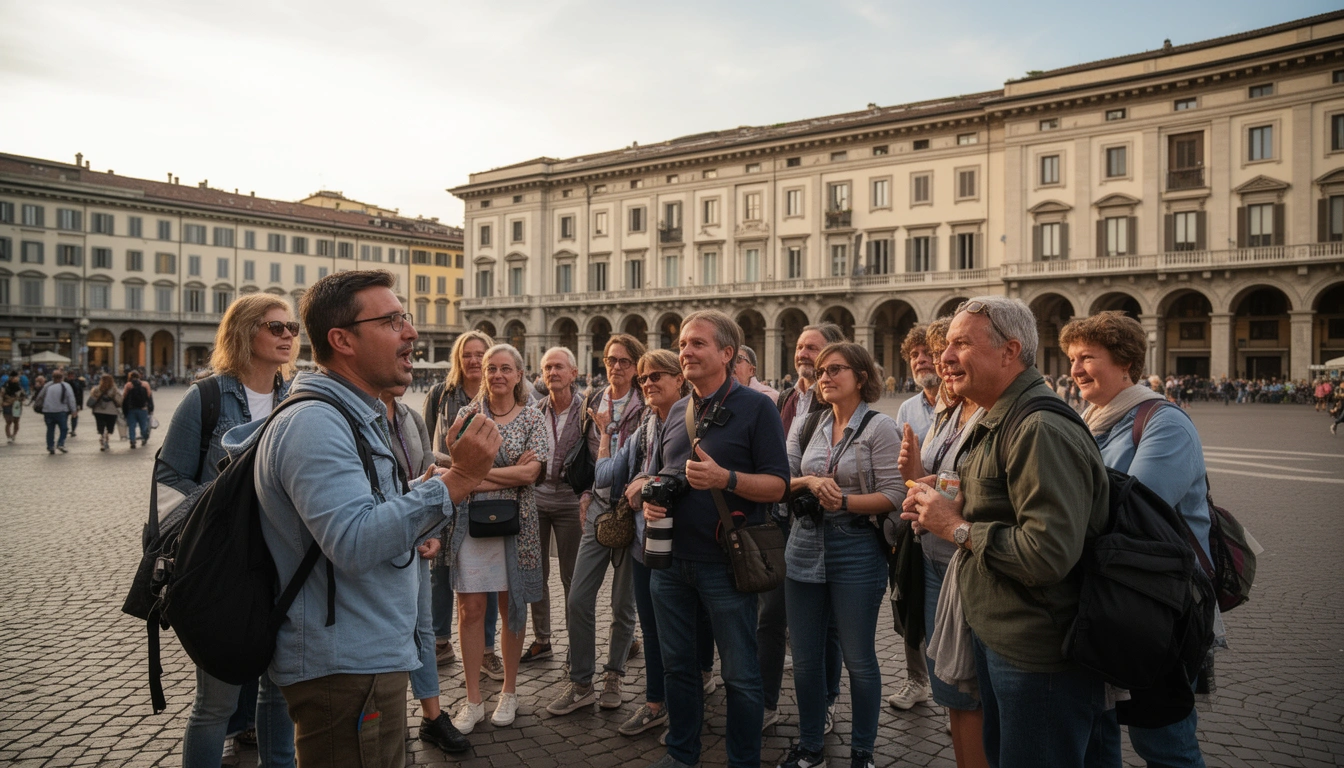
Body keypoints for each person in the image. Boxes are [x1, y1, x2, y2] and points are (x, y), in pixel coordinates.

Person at [228, 270, 501, 768]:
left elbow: (372, 510)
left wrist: (433, 487)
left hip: (366, 655)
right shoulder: (315, 423)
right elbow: (353, 541)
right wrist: (457, 480)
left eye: (407, 318)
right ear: (341, 340)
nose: (411, 332)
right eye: (393, 320)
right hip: (344, 667)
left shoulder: (353, 415)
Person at [902, 296, 1119, 768]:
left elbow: (1046, 553)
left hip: (1036, 653)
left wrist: (955, 526)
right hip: (1005, 637)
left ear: (1009, 351)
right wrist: (950, 506)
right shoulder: (998, 417)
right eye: (946, 346)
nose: (944, 357)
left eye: (961, 343)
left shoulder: (1036, 427)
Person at [1061, 311, 1213, 768]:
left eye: (1088, 357)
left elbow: (1134, 511)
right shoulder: (1090, 421)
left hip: (1157, 603)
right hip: (1107, 596)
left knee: (1163, 742)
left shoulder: (1164, 422)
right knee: (1097, 732)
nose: (1076, 369)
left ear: (1125, 362)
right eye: (1071, 358)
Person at [155, 294, 299, 768]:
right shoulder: (207, 397)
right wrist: (224, 507)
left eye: (292, 329)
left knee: (278, 696)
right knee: (215, 703)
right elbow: (169, 478)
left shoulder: (296, 399)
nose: (287, 336)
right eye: (275, 327)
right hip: (224, 566)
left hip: (282, 563)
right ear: (243, 332)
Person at [642, 310, 790, 768]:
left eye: (698, 344)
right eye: (683, 343)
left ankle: (742, 761)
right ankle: (682, 754)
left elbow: (779, 486)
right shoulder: (676, 411)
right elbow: (669, 472)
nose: (685, 351)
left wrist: (725, 478)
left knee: (741, 676)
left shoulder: (756, 407)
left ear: (727, 353)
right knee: (678, 669)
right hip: (670, 564)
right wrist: (654, 497)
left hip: (725, 564)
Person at [781, 342, 903, 768]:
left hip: (856, 548)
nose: (825, 377)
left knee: (859, 659)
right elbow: (785, 479)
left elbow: (894, 495)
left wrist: (845, 503)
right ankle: (811, 746)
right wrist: (809, 485)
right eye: (820, 371)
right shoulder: (810, 423)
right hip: (803, 546)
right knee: (806, 659)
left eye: (835, 369)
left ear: (862, 377)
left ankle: (862, 753)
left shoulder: (880, 427)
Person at [598, 350, 716, 739]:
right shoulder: (647, 424)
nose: (647, 383)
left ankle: (689, 698)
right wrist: (604, 436)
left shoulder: (694, 419)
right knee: (650, 626)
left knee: (687, 627)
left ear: (679, 378)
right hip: (646, 543)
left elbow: (685, 474)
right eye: (643, 378)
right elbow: (608, 477)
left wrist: (644, 482)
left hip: (685, 542)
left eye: (656, 376)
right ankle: (655, 702)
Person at [897, 317, 989, 768]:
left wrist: (942, 494)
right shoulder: (946, 413)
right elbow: (943, 481)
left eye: (950, 351)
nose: (941, 362)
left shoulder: (990, 413)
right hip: (932, 557)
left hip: (967, 562)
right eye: (937, 353)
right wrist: (914, 472)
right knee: (950, 684)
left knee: (971, 688)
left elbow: (982, 488)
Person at [445, 343, 548, 733]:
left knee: (512, 609)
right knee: (470, 610)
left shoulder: (534, 417)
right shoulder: (467, 415)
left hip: (516, 526)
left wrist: (477, 476)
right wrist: (486, 474)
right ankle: (473, 699)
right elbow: (456, 467)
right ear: (483, 374)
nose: (498, 375)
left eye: (506, 368)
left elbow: (531, 475)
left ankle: (509, 690)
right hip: (470, 525)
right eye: (491, 368)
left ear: (519, 375)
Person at [546, 334, 646, 716]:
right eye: (610, 359)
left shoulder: (645, 406)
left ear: (636, 365)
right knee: (578, 597)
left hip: (632, 512)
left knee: (623, 604)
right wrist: (584, 493)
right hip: (599, 509)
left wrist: (610, 433)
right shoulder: (593, 400)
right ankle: (582, 681)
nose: (615, 366)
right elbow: (582, 455)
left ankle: (614, 675)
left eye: (623, 360)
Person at [761, 323, 846, 731]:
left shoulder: (835, 402)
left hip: (819, 526)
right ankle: (766, 701)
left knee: (826, 624)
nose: (803, 353)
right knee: (770, 616)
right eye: (799, 346)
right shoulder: (785, 399)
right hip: (780, 521)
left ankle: (828, 699)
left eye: (812, 347)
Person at [379, 383, 472, 757]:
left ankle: (432, 718)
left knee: (422, 629)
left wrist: (431, 530)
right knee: (388, 631)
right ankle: (390, 719)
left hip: (413, 541)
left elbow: (422, 474)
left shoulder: (410, 418)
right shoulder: (354, 418)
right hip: (376, 544)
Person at [424, 330, 502, 676]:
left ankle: (486, 649)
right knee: (439, 569)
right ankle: (441, 641)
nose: (473, 360)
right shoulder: (441, 394)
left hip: (486, 495)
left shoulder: (497, 395)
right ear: (459, 359)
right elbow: (426, 446)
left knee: (483, 575)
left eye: (479, 354)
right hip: (445, 489)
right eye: (467, 354)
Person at [886, 324, 939, 712]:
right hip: (912, 518)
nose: (921, 360)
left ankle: (957, 695)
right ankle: (916, 679)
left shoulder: (963, 400)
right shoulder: (907, 407)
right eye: (914, 356)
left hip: (946, 517)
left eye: (927, 353)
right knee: (908, 598)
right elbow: (901, 467)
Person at [523, 347, 586, 664]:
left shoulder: (586, 410)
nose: (552, 373)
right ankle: (542, 639)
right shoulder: (535, 410)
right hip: (536, 497)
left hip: (570, 501)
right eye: (547, 368)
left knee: (572, 576)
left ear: (573, 373)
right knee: (536, 572)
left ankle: (577, 642)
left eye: (559, 367)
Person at [36, 370, 77, 454]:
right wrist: (73, 410)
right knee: (64, 428)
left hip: (48, 411)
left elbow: (40, 397)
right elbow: (71, 398)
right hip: (61, 411)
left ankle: (50, 446)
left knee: (50, 429)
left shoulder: (47, 385)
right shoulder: (66, 385)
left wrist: (39, 406)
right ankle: (60, 443)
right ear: (62, 377)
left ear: (52, 377)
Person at [87, 374, 122, 452]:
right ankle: (106, 437)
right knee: (110, 427)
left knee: (100, 425)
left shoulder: (96, 389)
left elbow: (92, 398)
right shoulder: (114, 390)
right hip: (111, 411)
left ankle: (102, 437)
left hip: (98, 411)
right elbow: (119, 401)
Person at [122, 370, 155, 449]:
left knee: (132, 426)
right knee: (143, 425)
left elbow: (124, 398)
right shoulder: (145, 384)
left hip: (131, 409)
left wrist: (124, 410)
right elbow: (149, 396)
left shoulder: (128, 385)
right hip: (143, 408)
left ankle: (132, 440)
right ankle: (144, 438)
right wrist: (151, 408)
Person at [3, 373, 26, 443]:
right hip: (7, 405)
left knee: (16, 421)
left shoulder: (19, 386)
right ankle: (9, 436)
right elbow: (1, 395)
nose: (17, 378)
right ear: (11, 378)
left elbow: (23, 396)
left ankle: (14, 435)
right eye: (15, 377)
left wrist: (21, 397)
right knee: (8, 422)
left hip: (17, 406)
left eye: (17, 377)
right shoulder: (5, 386)